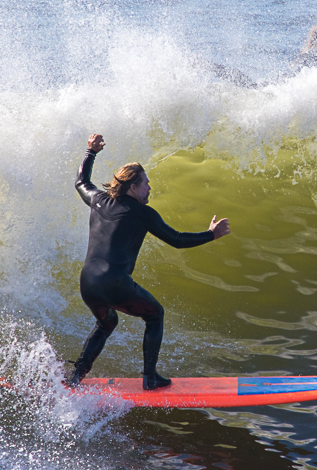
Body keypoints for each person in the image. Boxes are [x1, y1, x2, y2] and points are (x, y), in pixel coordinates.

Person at [69, 133, 230, 390]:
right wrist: (211, 235)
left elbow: (81, 182)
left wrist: (91, 152)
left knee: (106, 322)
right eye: (146, 183)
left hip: (88, 282)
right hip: (115, 282)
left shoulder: (99, 200)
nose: (149, 188)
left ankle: (76, 377)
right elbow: (176, 239)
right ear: (133, 187)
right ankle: (150, 378)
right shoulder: (143, 214)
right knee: (155, 315)